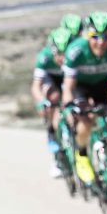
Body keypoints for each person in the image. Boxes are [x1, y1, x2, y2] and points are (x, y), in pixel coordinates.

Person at [61, 11, 107, 186]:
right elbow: (68, 87)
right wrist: (69, 107)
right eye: (95, 36)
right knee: (84, 120)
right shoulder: (76, 50)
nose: (101, 42)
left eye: (105, 36)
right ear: (87, 35)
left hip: (103, 86)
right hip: (81, 87)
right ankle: (82, 154)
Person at [31, 27, 74, 178]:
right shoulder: (44, 57)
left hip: (70, 79)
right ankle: (52, 132)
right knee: (51, 97)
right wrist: (42, 101)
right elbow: (36, 86)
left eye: (65, 53)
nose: (62, 58)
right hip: (53, 80)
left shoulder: (75, 56)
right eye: (59, 54)